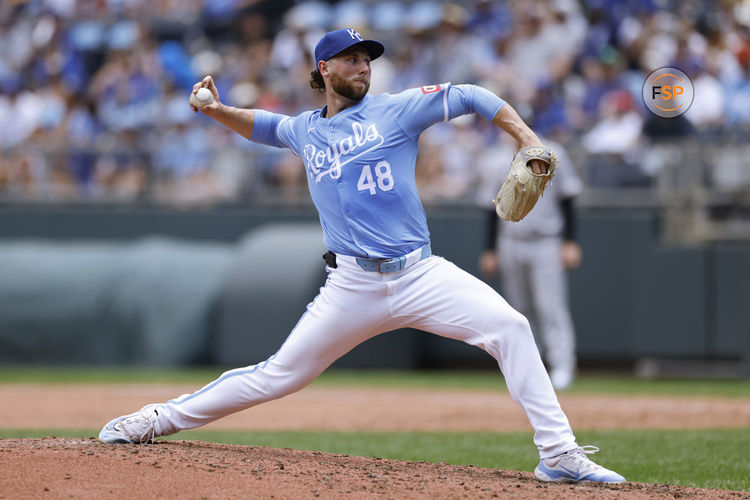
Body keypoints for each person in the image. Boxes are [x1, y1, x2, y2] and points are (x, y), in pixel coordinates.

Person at [98, 28, 625, 484]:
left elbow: (470, 95)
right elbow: (261, 125)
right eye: (351, 59)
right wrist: (215, 110)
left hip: (419, 273)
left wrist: (527, 139)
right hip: (352, 287)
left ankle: (558, 455)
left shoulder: (395, 109)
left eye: (367, 59)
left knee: (510, 327)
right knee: (279, 375)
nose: (362, 67)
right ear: (324, 68)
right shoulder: (306, 130)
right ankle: (156, 419)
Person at [477, 133, 583, 390]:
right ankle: (529, 370)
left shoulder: (552, 152)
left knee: (550, 306)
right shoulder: (496, 159)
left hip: (546, 240)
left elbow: (568, 199)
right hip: (510, 239)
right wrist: (490, 249)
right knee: (518, 310)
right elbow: (489, 208)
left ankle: (562, 367)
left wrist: (570, 241)